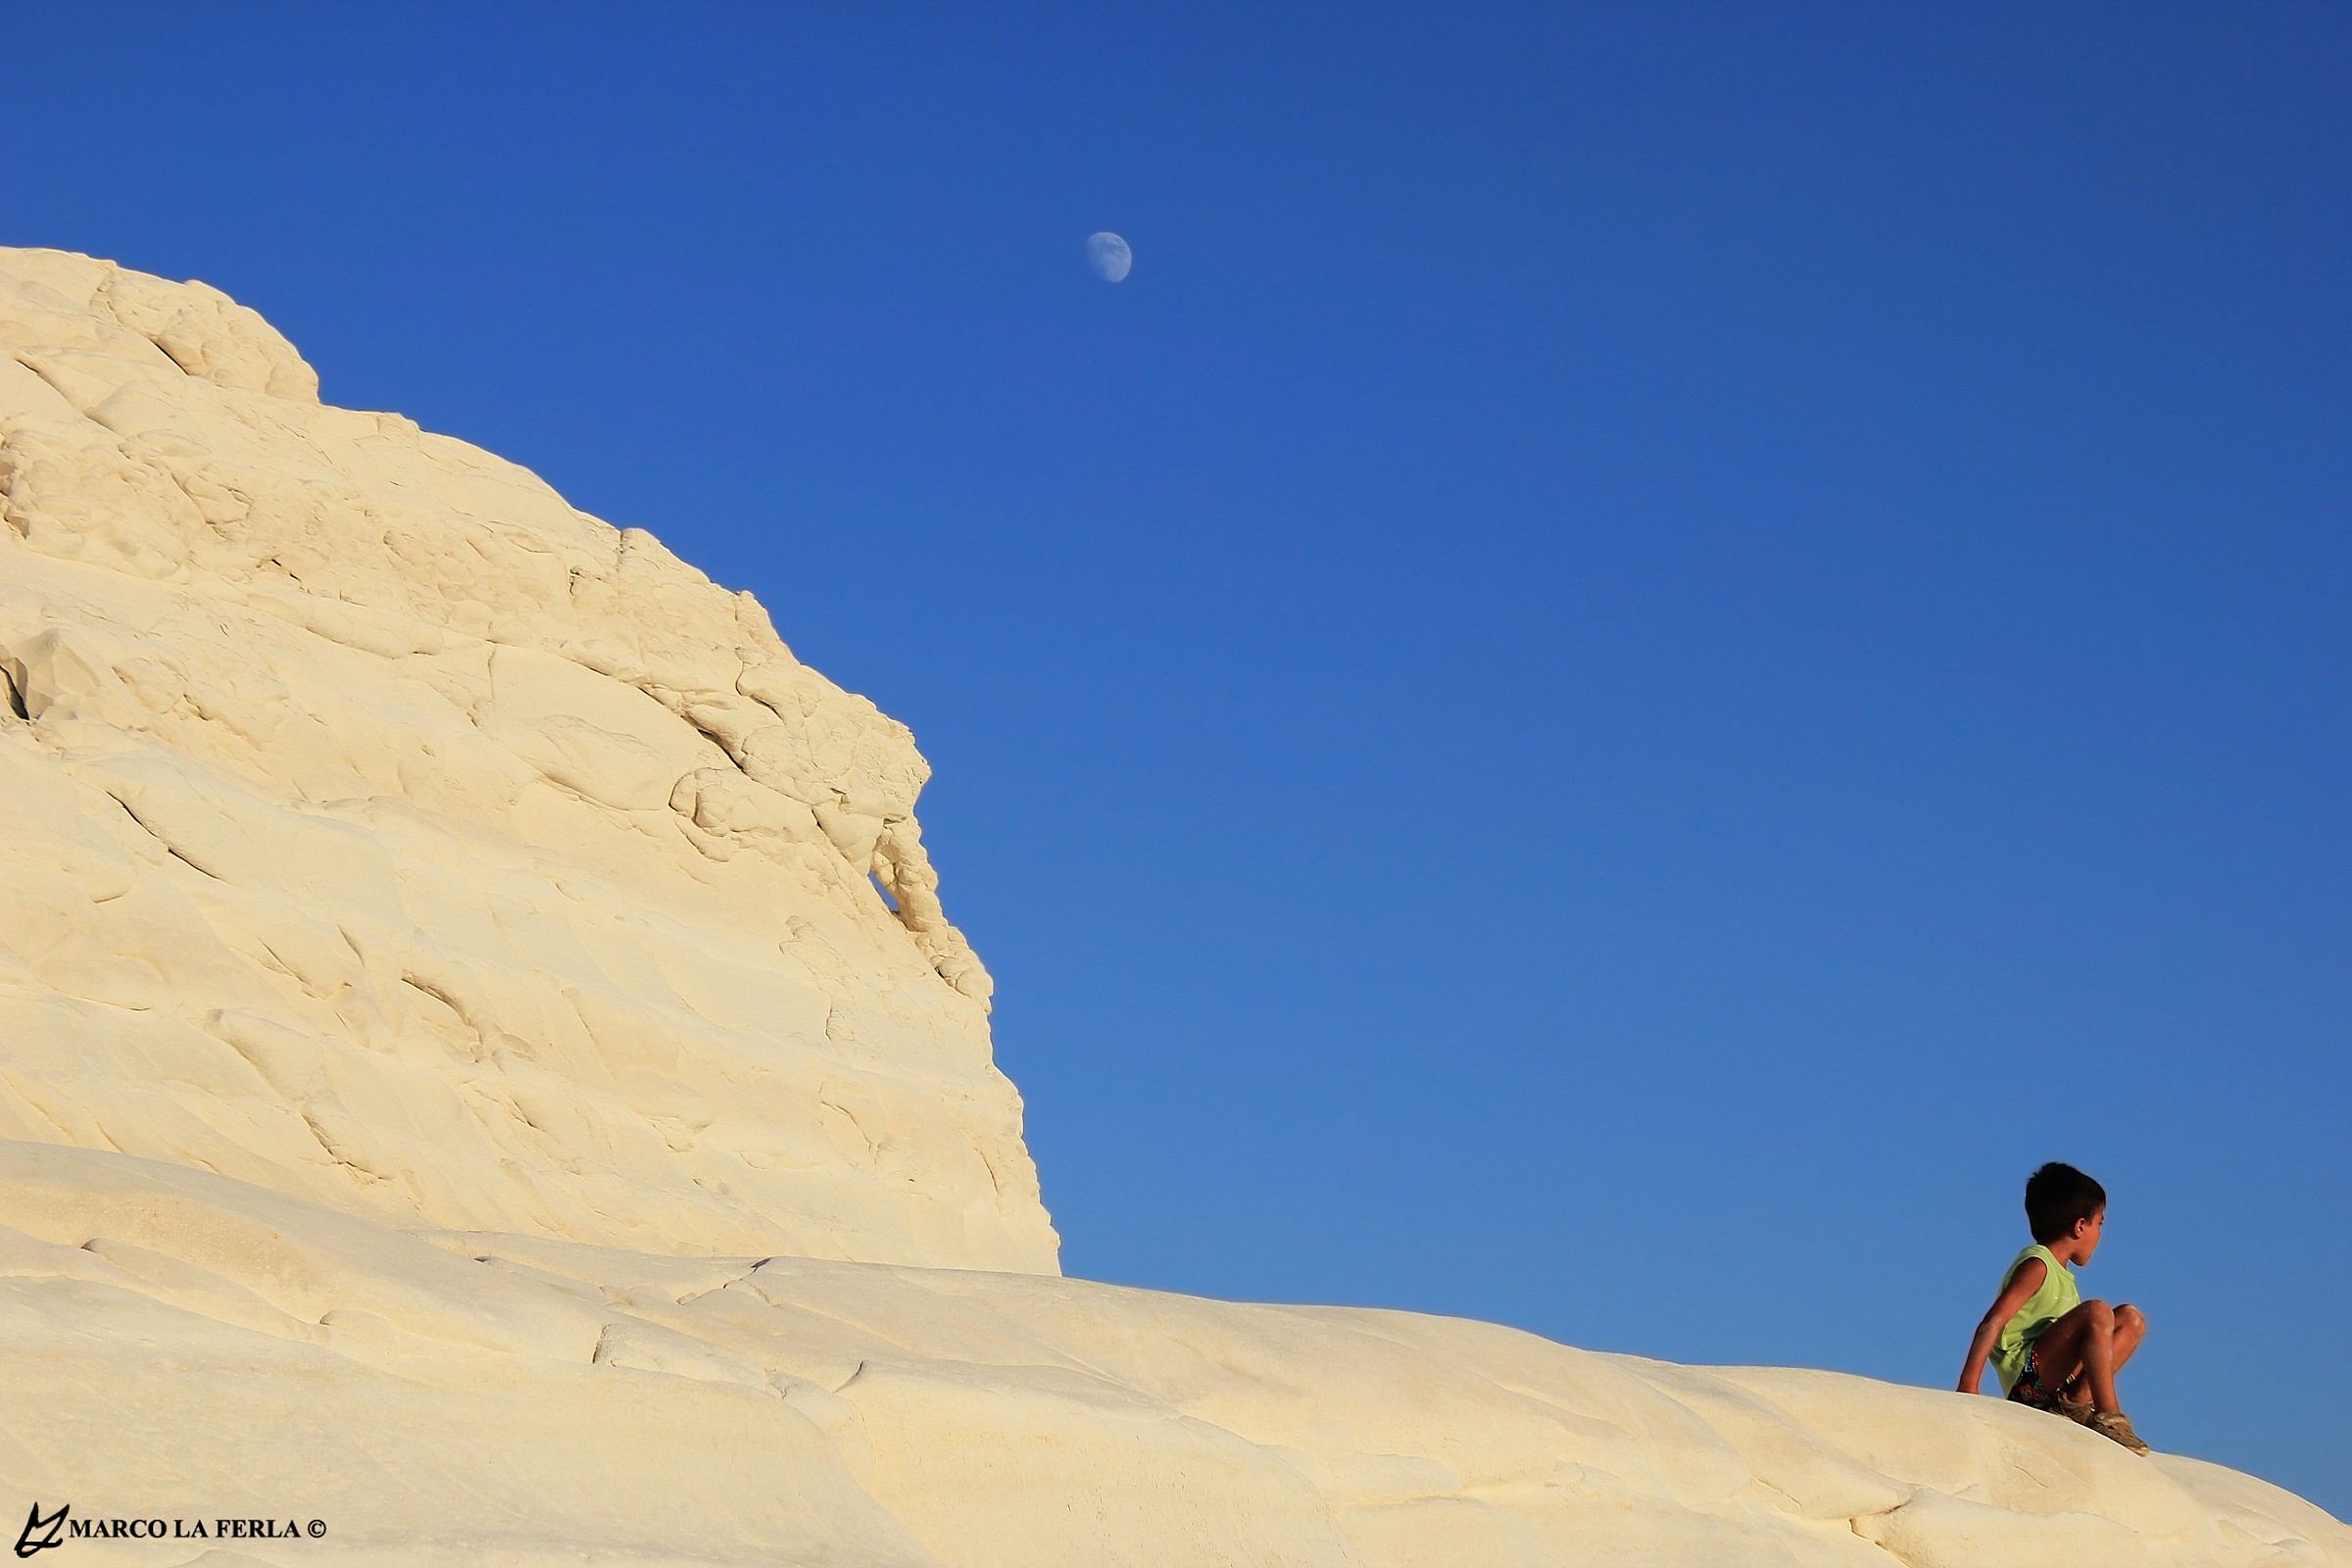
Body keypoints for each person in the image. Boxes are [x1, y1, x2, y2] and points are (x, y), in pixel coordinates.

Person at [1955, 1162, 2150, 1454]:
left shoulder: (2064, 1278)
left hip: (2053, 1386)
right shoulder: (2038, 1265)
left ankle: (2075, 1404)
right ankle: (2109, 1417)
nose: (2100, 1235)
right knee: (2097, 1311)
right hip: (2028, 1384)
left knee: (2130, 1319)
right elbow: (1993, 1321)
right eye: (2100, 1224)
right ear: (2080, 1226)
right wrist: (1968, 1386)